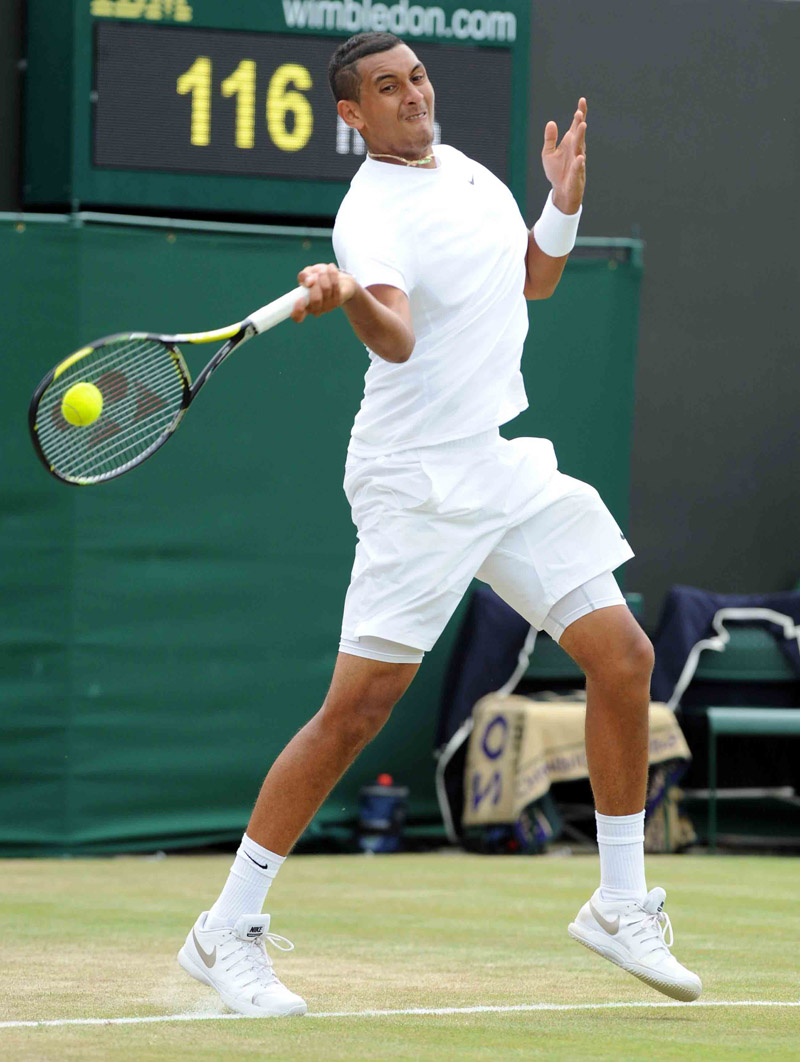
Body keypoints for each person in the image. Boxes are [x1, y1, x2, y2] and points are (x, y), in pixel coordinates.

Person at [177, 31, 701, 1017]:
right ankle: (225, 928)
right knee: (355, 715)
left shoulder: (466, 173)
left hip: (495, 463)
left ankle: (620, 903)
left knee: (623, 656)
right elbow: (397, 336)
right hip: (413, 479)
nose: (413, 94)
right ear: (352, 114)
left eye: (415, 76)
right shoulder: (369, 213)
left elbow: (534, 279)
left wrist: (560, 200)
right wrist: (349, 299)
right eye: (387, 87)